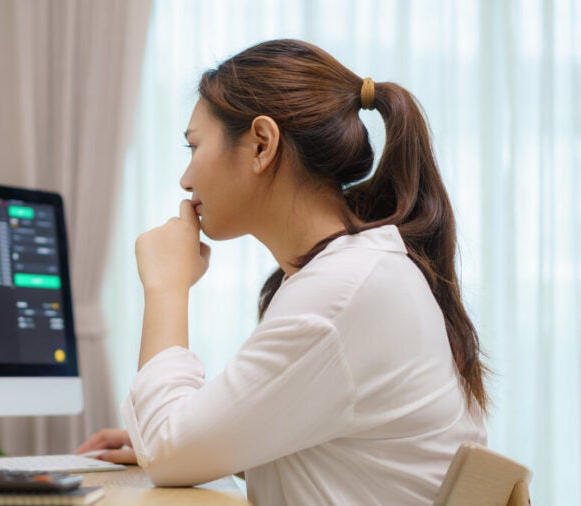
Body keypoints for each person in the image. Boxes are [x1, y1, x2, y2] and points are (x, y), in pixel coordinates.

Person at [77, 39, 487, 504]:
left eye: (194, 147)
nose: (185, 179)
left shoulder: (341, 292)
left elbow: (168, 451)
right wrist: (205, 442)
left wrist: (166, 285)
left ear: (261, 144)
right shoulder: (358, 274)